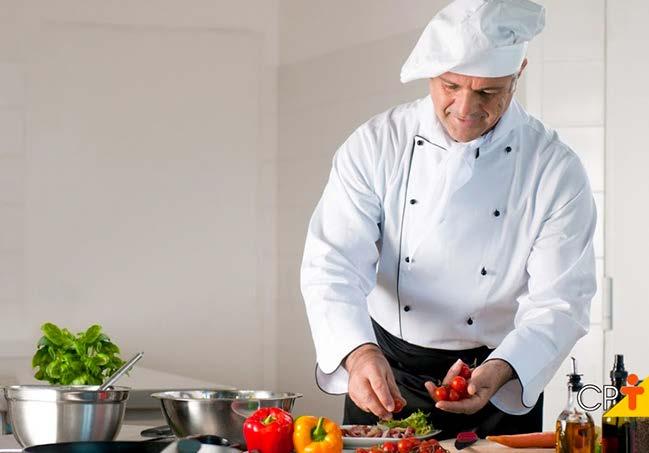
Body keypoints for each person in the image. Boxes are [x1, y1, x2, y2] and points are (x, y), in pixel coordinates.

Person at [300, 0, 597, 439]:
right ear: (432, 74)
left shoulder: (554, 168)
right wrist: (359, 354)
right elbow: (333, 263)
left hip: (497, 378)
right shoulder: (376, 145)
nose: (465, 107)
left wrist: (501, 368)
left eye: (487, 92)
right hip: (387, 372)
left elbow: (562, 300)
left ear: (518, 73)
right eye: (451, 85)